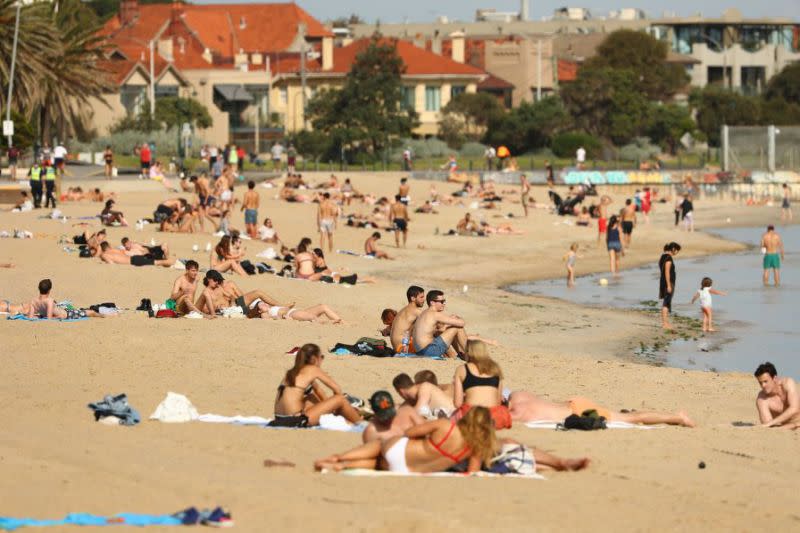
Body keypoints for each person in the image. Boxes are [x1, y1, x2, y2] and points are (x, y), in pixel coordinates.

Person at [315, 407, 590, 474]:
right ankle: (339, 465)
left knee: (381, 447)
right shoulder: (478, 446)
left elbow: (408, 434)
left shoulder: (447, 425)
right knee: (380, 462)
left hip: (399, 452)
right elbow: (472, 471)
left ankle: (339, 459)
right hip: (407, 470)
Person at [271, 343, 362, 428]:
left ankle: (341, 419)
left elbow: (318, 391)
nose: (322, 360)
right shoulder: (312, 369)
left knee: (311, 397)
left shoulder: (292, 372)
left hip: (279, 419)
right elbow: (337, 389)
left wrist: (330, 408)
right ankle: (361, 424)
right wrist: (337, 407)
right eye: (321, 357)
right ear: (314, 358)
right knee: (340, 399)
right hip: (295, 420)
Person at [508, 391, 695, 427]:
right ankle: (675, 416)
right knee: (629, 415)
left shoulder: (518, 413)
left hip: (579, 412)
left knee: (632, 418)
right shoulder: (517, 395)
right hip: (575, 403)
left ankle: (678, 418)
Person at [451, 340, 511, 429]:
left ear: (468, 353)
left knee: (453, 416)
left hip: (471, 415)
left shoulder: (462, 369)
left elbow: (457, 403)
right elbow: (498, 401)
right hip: (493, 416)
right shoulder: (496, 368)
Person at [411, 290, 467, 359]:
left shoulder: (424, 313)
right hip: (428, 351)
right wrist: (457, 318)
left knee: (449, 329)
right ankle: (470, 354)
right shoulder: (435, 314)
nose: (444, 303)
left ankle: (460, 354)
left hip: (420, 351)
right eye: (441, 302)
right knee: (457, 327)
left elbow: (437, 331)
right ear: (432, 303)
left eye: (444, 301)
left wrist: (447, 325)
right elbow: (462, 323)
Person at [26, 279, 105, 320]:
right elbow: (49, 318)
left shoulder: (33, 301)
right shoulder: (49, 301)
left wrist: (40, 317)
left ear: (39, 288)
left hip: (65, 312)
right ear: (49, 290)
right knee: (90, 312)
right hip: (68, 314)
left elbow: (30, 317)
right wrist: (59, 316)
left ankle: (101, 314)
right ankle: (104, 316)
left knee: (84, 310)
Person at [754, 362, 799, 429]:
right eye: (760, 383)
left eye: (765, 381)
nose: (763, 385)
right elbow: (768, 428)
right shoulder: (762, 400)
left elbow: (794, 408)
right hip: (790, 427)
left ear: (774, 378)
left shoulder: (787, 383)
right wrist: (794, 425)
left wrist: (772, 423)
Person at [390, 285, 425, 353]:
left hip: (397, 346)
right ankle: (451, 357)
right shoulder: (415, 311)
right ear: (413, 298)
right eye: (421, 297)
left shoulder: (404, 310)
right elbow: (431, 321)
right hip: (403, 348)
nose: (424, 300)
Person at [659, 242, 681, 330]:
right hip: (668, 283)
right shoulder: (668, 258)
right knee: (666, 303)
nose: (677, 253)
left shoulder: (662, 257)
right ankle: (664, 324)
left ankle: (666, 322)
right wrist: (668, 285)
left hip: (663, 282)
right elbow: (667, 272)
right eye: (677, 251)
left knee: (667, 302)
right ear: (673, 249)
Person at [99, 242, 175, 268]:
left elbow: (111, 264)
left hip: (134, 261)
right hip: (134, 258)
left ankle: (172, 262)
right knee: (157, 260)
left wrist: (103, 261)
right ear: (108, 246)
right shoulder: (116, 250)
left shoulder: (105, 254)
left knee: (159, 262)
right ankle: (165, 253)